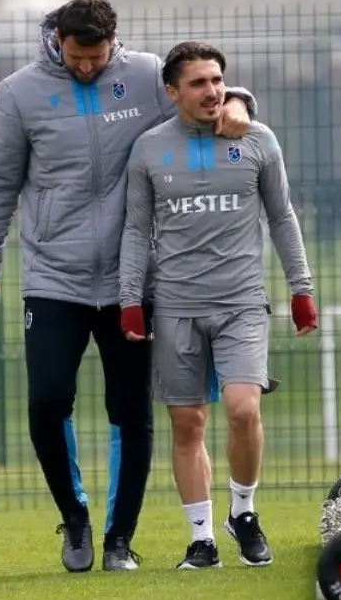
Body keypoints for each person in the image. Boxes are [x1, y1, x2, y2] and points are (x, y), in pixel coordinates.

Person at [0, 0, 259, 573]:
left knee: (131, 412)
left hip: (135, 279)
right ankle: (74, 519)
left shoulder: (148, 76)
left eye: (96, 57)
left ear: (114, 40)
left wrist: (244, 102)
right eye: (76, 57)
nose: (86, 68)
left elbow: (207, 93)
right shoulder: (19, 93)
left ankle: (119, 539)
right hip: (54, 276)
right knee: (47, 403)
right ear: (57, 41)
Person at [118, 40, 316, 571]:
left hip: (241, 303)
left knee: (244, 408)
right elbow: (137, 230)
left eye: (217, 81)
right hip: (176, 305)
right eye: (198, 83)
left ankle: (244, 514)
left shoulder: (257, 140)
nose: (211, 91)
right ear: (172, 91)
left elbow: (282, 217)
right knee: (188, 424)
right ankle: (201, 540)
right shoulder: (149, 150)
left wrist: (302, 289)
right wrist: (129, 299)